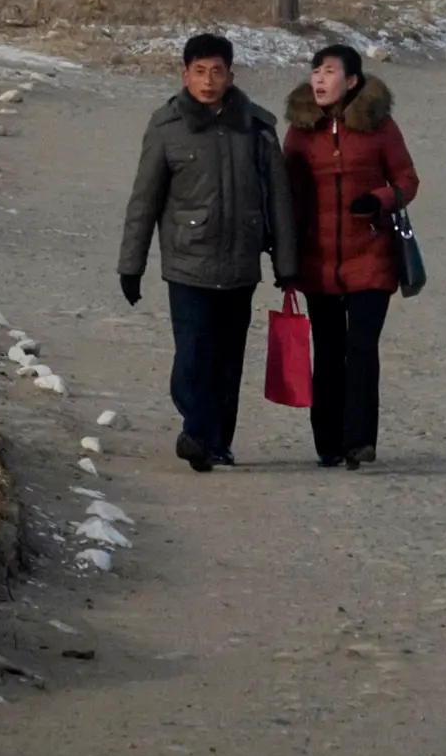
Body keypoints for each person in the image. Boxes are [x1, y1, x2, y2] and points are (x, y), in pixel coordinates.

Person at [118, 30, 298, 473]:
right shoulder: (166, 128)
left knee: (228, 358)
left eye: (217, 71)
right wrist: (131, 266)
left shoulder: (257, 127)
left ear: (230, 75)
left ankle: (218, 443)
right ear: (185, 75)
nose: (208, 81)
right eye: (199, 71)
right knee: (193, 352)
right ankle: (196, 431)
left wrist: (286, 263)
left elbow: (279, 199)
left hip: (241, 263)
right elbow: (144, 201)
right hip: (188, 263)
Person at [281, 42, 419, 471]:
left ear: (352, 80)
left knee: (361, 348)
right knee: (327, 350)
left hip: (371, 253)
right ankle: (329, 442)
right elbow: (286, 192)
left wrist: (379, 200)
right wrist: (284, 248)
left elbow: (407, 180)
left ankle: (359, 441)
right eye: (316, 71)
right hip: (318, 258)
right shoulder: (301, 130)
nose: (320, 79)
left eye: (329, 72)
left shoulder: (379, 126)